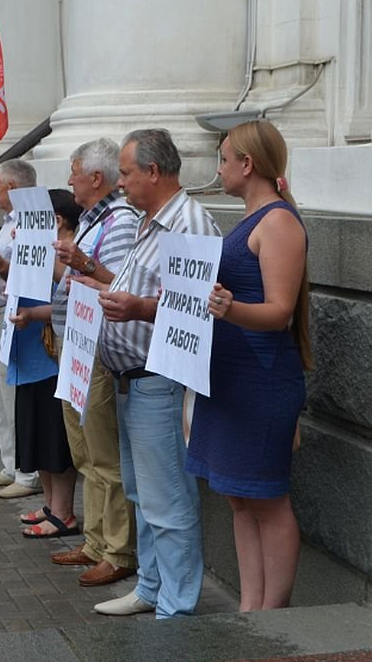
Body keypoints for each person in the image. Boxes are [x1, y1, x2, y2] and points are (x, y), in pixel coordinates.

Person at [92, 129, 221, 619]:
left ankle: (177, 609)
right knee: (142, 494)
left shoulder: (188, 223)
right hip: (134, 379)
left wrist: (139, 307)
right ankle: (151, 587)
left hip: (160, 381)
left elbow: (199, 308)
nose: (120, 182)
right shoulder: (151, 221)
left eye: (125, 173)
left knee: (167, 501)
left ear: (153, 171)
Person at [186, 120, 310, 611]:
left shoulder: (277, 221)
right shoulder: (250, 218)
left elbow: (279, 311)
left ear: (247, 164)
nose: (217, 169)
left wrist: (227, 308)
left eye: (222, 158)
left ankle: (273, 618)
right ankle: (250, 610)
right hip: (231, 380)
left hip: (261, 382)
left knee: (267, 500)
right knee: (240, 498)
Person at [46, 138, 140, 586]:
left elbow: (118, 284)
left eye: (74, 171)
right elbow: (80, 277)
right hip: (77, 343)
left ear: (95, 179)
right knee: (84, 452)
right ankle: (97, 541)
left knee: (104, 455)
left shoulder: (119, 222)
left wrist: (79, 263)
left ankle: (118, 550)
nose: (69, 180)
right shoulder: (92, 220)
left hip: (97, 348)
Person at [10, 190, 81, 537]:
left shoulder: (74, 247)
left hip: (57, 353)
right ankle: (53, 505)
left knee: (56, 436)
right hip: (34, 348)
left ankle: (64, 511)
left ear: (57, 221)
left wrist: (38, 245)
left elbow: (66, 289)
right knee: (37, 431)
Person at [0, 159, 42, 498]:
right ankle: (11, 463)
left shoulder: (31, 223)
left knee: (13, 393)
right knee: (1, 394)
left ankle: (26, 472)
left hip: (15, 316)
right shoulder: (9, 221)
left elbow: (31, 273)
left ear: (13, 188)